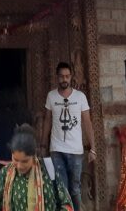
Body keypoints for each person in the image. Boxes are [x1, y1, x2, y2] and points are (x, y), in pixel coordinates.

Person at [0, 124, 73, 211]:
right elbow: (0, 204)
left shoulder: (49, 169)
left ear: (34, 155)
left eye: (25, 161)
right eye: (15, 159)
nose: (19, 166)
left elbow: (67, 205)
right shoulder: (5, 173)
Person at [43, 62, 95, 211]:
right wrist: (42, 144)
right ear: (57, 77)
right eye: (61, 76)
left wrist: (93, 148)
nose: (64, 79)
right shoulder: (51, 96)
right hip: (56, 149)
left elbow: (87, 122)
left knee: (75, 189)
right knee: (61, 188)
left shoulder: (80, 97)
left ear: (71, 76)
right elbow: (47, 120)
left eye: (67, 76)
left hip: (76, 151)